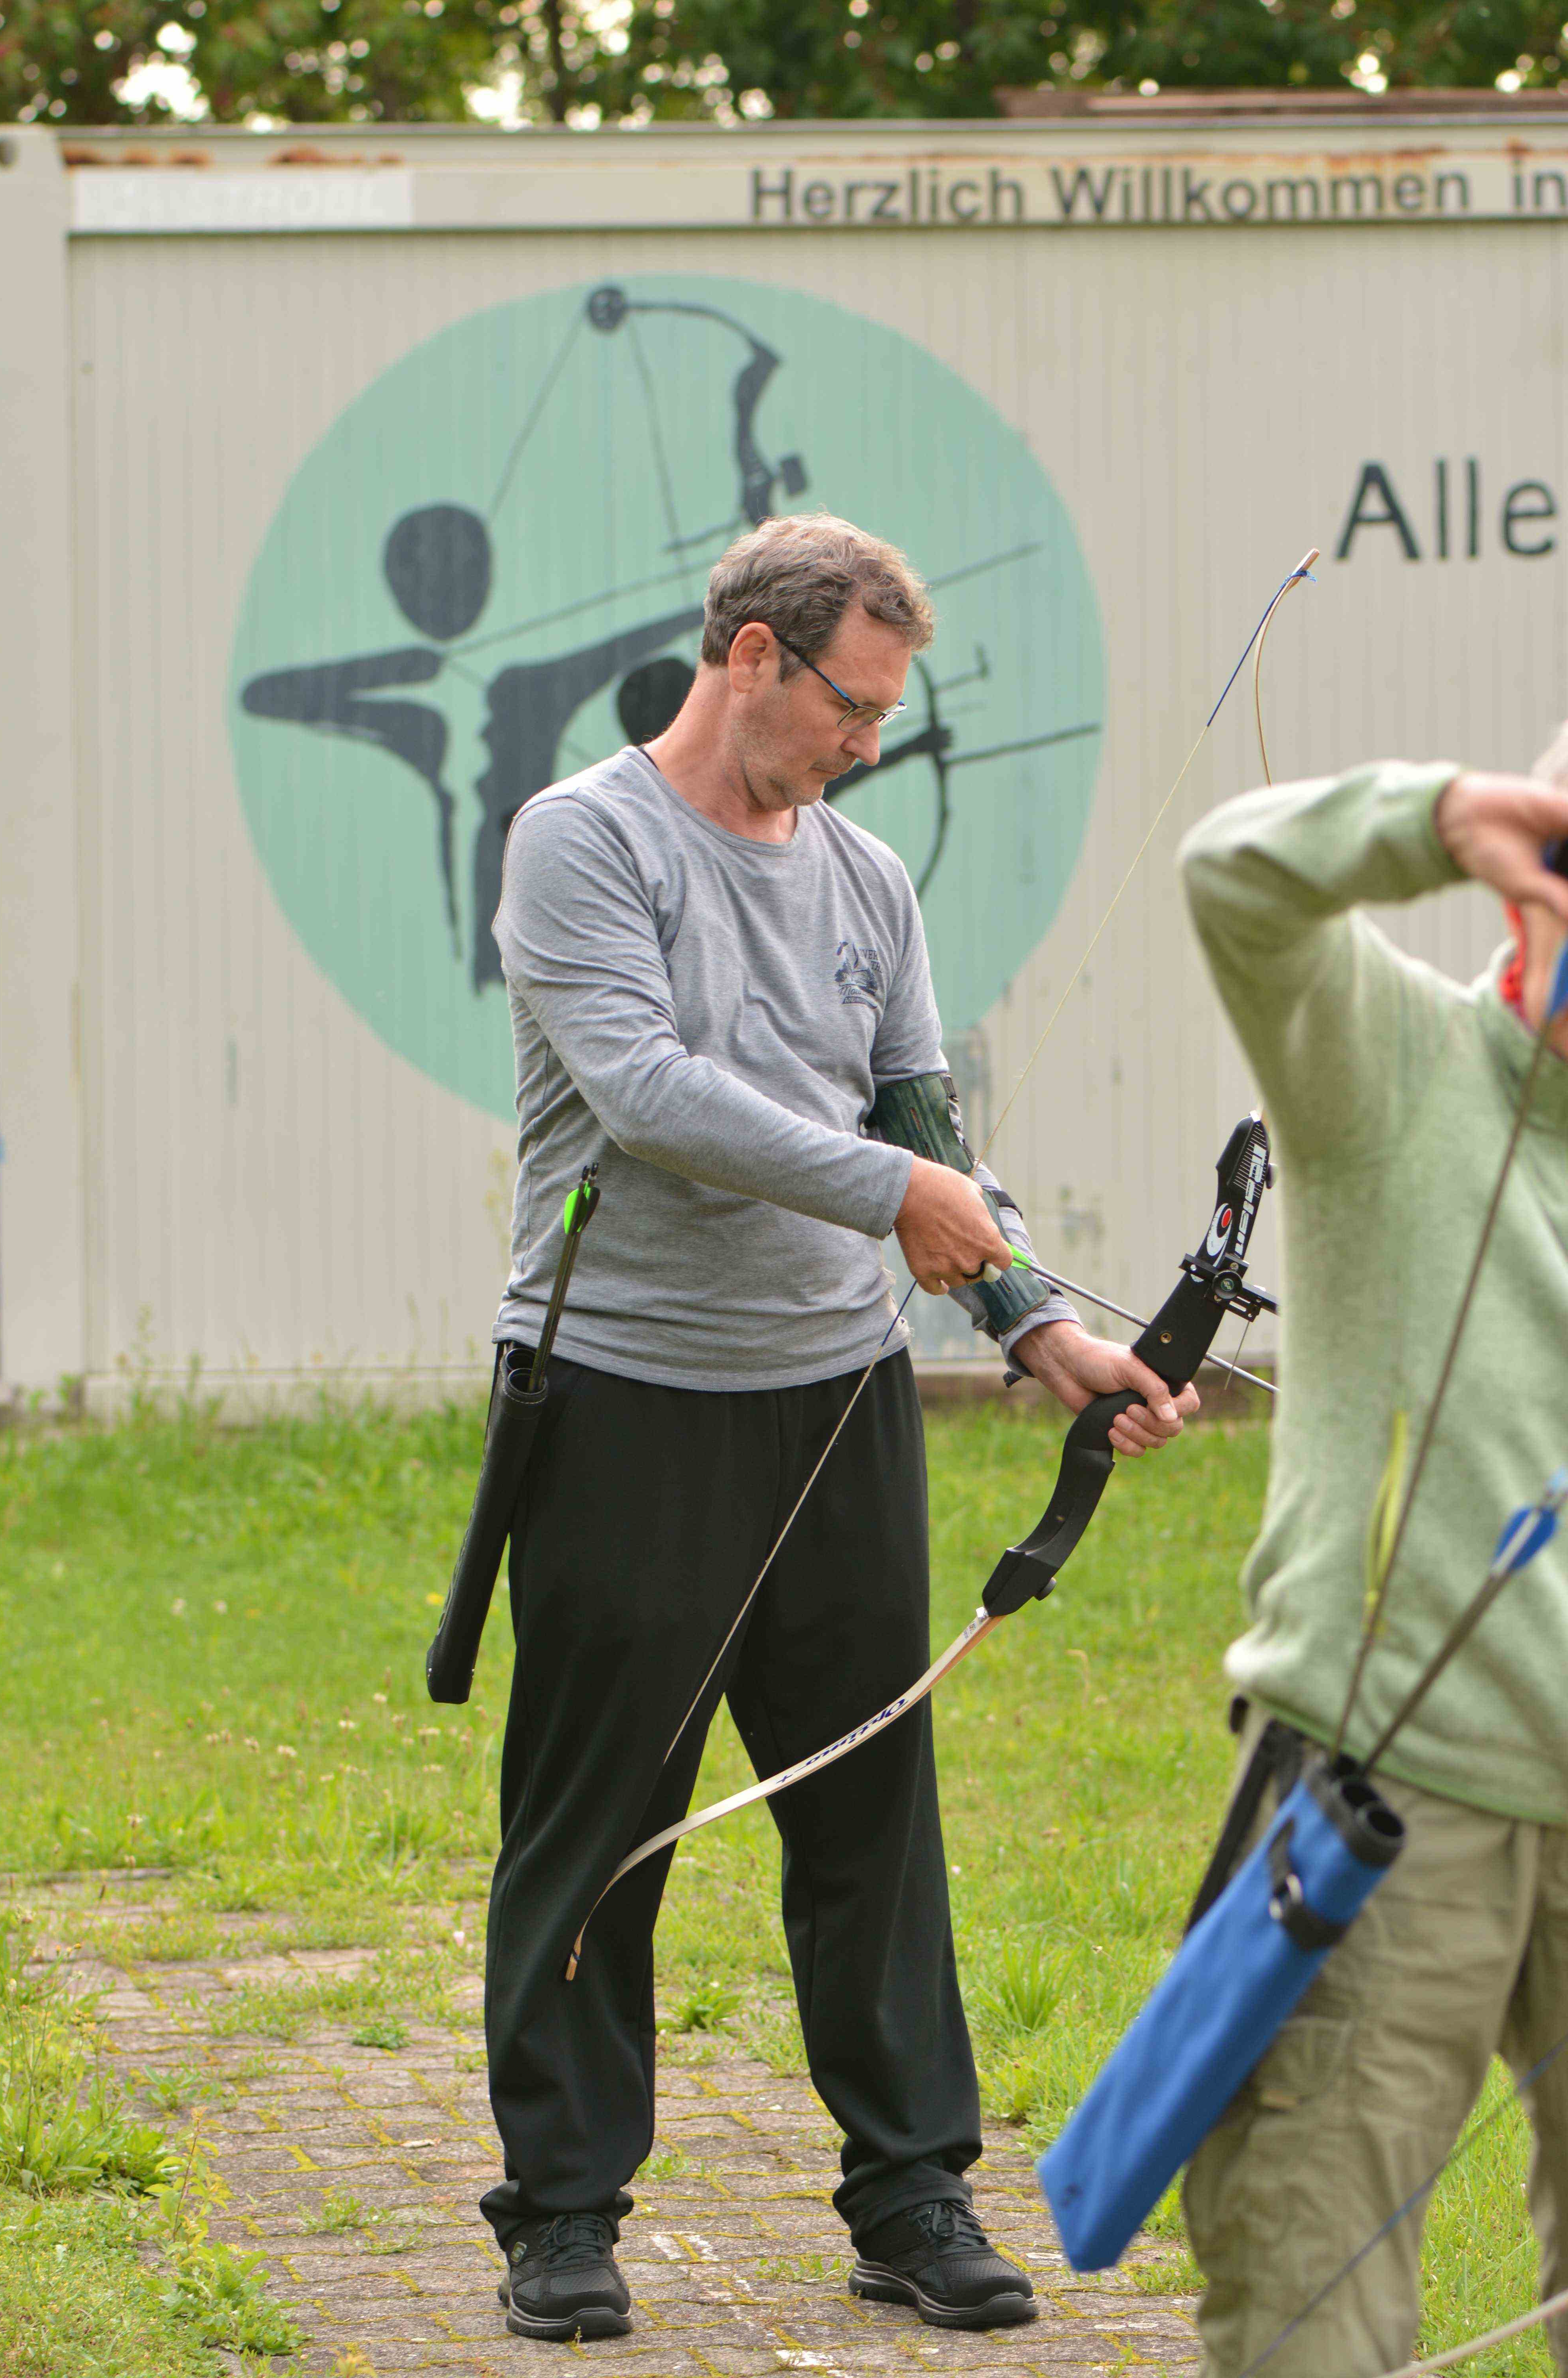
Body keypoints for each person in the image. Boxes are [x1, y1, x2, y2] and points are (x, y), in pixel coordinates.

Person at [480, 512, 1196, 2343]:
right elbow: (645, 1090)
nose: (871, 743)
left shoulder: (869, 880)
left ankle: (910, 2195)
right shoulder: (580, 840)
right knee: (597, 1823)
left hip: (838, 1401)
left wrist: (1038, 1325)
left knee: (871, 1808)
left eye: (885, 712)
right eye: (850, 706)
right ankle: (561, 2213)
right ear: (751, 656)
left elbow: (921, 1120)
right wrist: (895, 1191)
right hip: (625, 1398)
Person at [1176, 746, 1568, 2377]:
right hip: (1389, 1796)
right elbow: (1233, 880)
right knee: (1309, 2299)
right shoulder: (1397, 1063)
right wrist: (1433, 817)